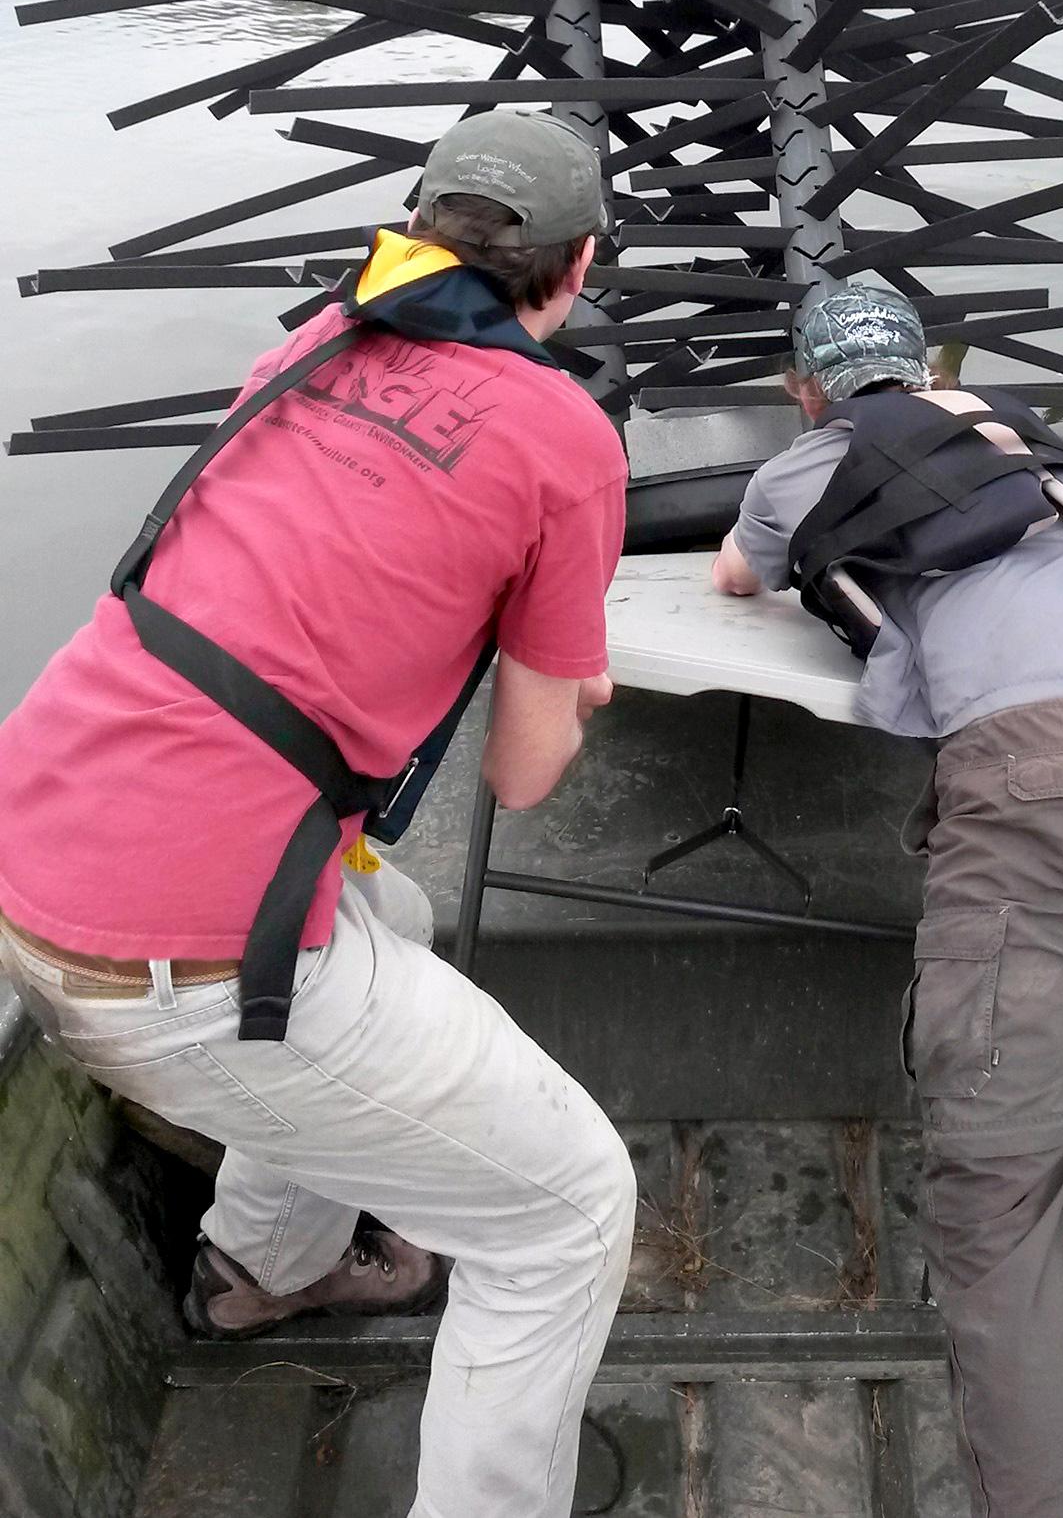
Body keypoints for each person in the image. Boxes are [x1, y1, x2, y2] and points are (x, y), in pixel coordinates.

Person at [0, 112, 637, 1518]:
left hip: (36, 856)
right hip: (190, 959)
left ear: (424, 225)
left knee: (388, 912)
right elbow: (525, 776)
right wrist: (576, 678)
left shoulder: (307, 348)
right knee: (569, 1213)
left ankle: (263, 1268)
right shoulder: (565, 434)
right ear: (578, 267)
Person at [711, 284, 1063, 1518]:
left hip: (1042, 782)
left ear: (806, 388)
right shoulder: (1024, 432)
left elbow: (737, 580)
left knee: (996, 1198)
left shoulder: (804, 465)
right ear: (927, 366)